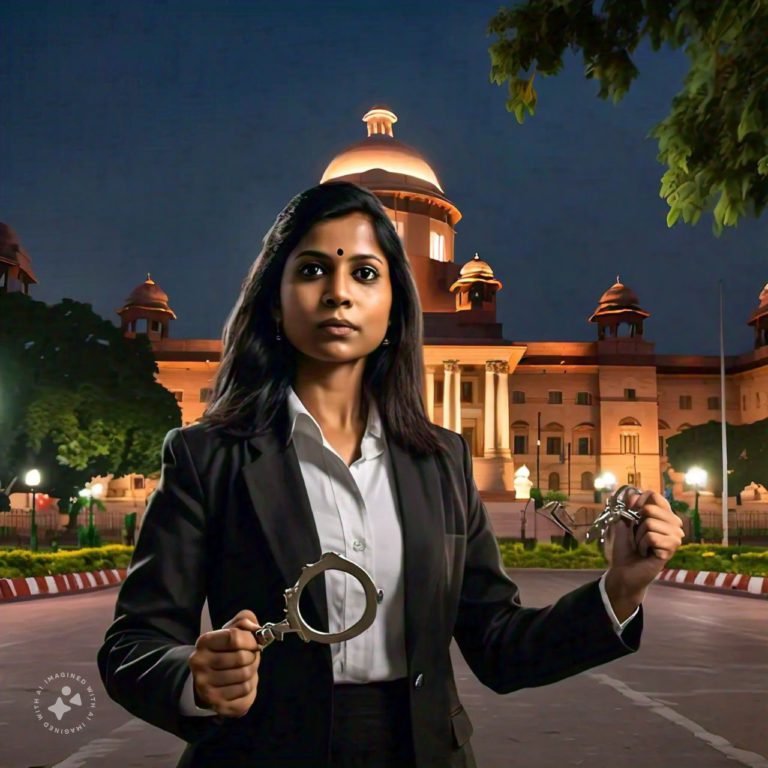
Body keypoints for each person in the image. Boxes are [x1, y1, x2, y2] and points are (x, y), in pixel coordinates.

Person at [97, 181, 685, 768]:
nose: (338, 294)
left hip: (421, 752)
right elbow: (133, 645)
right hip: (260, 752)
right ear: (274, 300)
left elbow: (500, 645)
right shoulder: (210, 457)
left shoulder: (441, 462)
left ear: (396, 304)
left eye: (365, 273)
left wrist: (621, 588)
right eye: (310, 270)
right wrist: (193, 677)